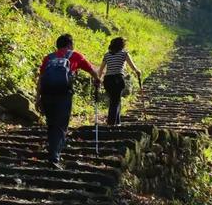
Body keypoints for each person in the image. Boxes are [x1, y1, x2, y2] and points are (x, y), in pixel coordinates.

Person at [36, 33, 99, 169]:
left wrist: (38, 98)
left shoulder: (49, 58)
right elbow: (92, 71)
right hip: (64, 95)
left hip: (47, 94)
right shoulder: (75, 55)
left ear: (57, 45)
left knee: (52, 124)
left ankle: (53, 151)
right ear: (70, 44)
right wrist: (97, 80)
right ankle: (54, 157)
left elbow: (41, 79)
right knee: (61, 125)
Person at [97, 37, 141, 126]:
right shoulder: (124, 54)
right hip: (118, 78)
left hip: (108, 80)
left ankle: (117, 122)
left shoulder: (107, 55)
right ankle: (111, 123)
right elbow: (133, 67)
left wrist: (98, 79)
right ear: (122, 45)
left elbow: (101, 69)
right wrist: (138, 72)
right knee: (115, 101)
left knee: (115, 100)